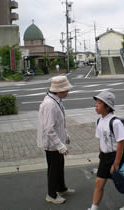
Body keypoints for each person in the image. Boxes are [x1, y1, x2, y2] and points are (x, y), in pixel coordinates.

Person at [88, 91, 124, 210]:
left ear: (107, 106)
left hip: (117, 156)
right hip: (105, 157)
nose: (96, 105)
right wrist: (101, 156)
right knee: (99, 183)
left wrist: (116, 164)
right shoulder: (99, 121)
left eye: (99, 103)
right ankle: (94, 208)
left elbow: (121, 143)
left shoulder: (116, 122)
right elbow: (101, 141)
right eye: (96, 102)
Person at [37, 76, 75, 204]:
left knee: (59, 166)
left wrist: (66, 135)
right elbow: (49, 128)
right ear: (58, 90)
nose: (68, 92)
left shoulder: (57, 100)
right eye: (66, 90)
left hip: (57, 141)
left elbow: (59, 123)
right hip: (51, 144)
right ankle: (51, 195)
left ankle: (61, 188)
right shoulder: (50, 104)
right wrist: (60, 145)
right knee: (53, 169)